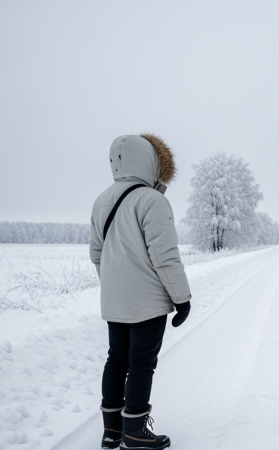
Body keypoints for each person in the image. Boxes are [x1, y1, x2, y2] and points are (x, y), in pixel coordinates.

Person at [90, 134, 192, 450]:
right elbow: (164, 256)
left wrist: (115, 284)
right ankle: (135, 431)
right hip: (147, 302)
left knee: (116, 361)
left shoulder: (101, 200)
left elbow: (97, 253)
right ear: (149, 162)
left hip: (114, 301)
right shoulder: (152, 200)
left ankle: (111, 431)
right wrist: (182, 298)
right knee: (141, 364)